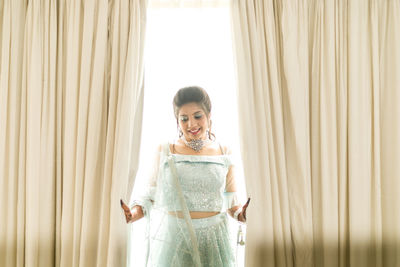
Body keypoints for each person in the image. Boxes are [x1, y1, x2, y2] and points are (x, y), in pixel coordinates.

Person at [120, 86, 250, 267]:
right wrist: (131, 215)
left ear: (209, 115)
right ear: (177, 121)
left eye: (197, 116)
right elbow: (148, 198)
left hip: (214, 242)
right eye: (184, 119)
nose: (191, 124)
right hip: (175, 243)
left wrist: (242, 215)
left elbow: (231, 203)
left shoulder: (224, 151)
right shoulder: (165, 150)